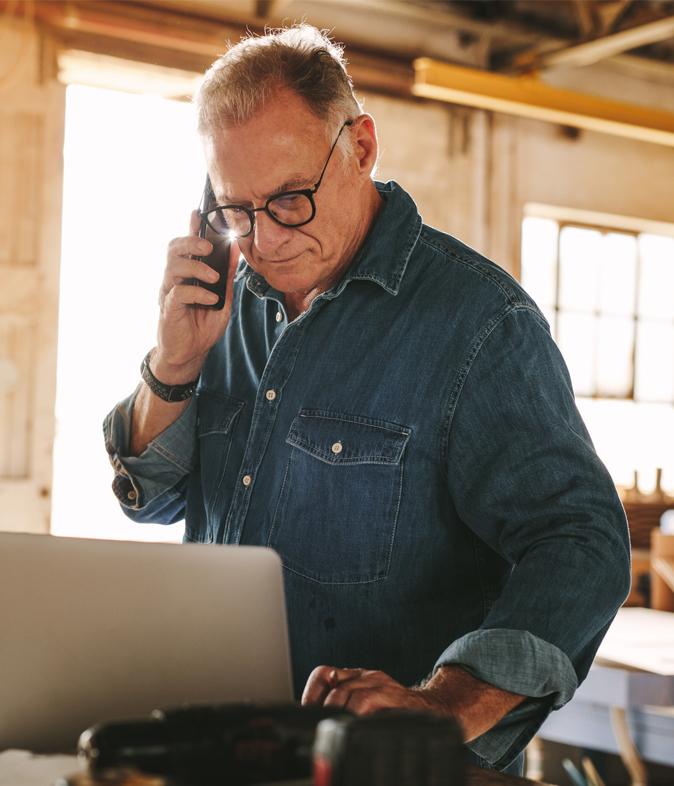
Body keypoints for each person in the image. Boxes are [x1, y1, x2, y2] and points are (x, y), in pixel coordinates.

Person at [104, 24, 630, 773]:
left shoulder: (479, 325)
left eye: (289, 199)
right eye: (235, 211)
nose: (265, 241)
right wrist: (174, 363)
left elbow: (581, 544)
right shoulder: (224, 303)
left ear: (360, 147)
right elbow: (147, 499)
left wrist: (446, 706)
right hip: (225, 750)